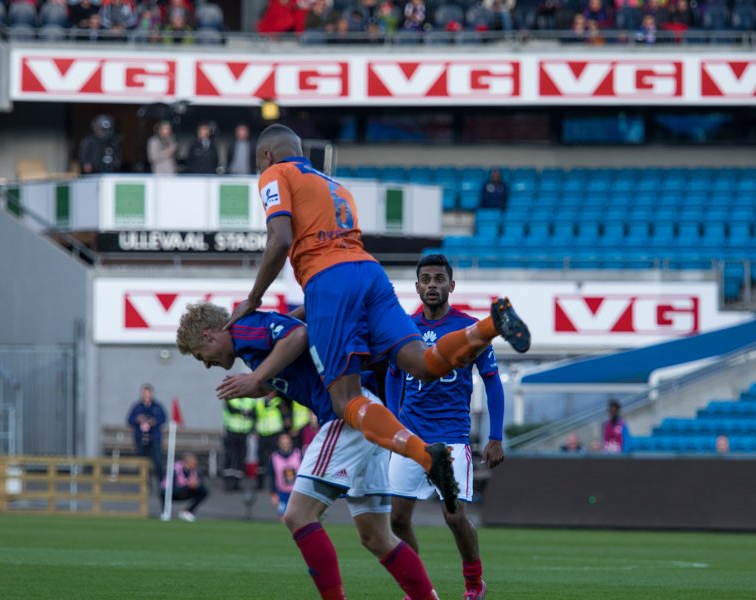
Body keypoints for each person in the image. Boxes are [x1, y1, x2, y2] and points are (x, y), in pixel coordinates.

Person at [226, 123, 531, 514]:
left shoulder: (276, 173)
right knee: (423, 362)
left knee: (344, 399)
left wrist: (254, 298)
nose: (258, 169)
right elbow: (339, 273)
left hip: (328, 281)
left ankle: (425, 455)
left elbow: (280, 239)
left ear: (266, 155)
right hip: (370, 273)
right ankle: (490, 325)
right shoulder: (333, 185)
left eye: (257, 162)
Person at [177, 302, 441, 600]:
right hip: (364, 412)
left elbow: (298, 335)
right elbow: (294, 363)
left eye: (201, 356)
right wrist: (261, 385)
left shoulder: (244, 329)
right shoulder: (250, 347)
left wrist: (257, 378)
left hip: (344, 415)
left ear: (209, 336)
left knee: (298, 515)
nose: (206, 364)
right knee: (376, 536)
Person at [387, 254, 505, 600]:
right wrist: (394, 423)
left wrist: (495, 436)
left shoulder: (470, 329)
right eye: (426, 279)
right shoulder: (403, 328)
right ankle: (420, 590)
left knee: (454, 517)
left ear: (451, 285)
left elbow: (493, 383)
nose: (432, 285)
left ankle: (474, 583)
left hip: (451, 438)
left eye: (439, 279)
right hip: (410, 438)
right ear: (417, 286)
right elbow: (394, 377)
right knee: (396, 520)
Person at [126, 383, 167, 483]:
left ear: (152, 394)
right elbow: (129, 420)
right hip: (141, 438)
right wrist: (137, 419)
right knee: (143, 463)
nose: (146, 395)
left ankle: (162, 483)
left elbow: (163, 418)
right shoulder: (137, 407)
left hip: (154, 438)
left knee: (158, 461)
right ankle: (145, 483)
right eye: (144, 393)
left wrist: (154, 421)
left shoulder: (157, 406)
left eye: (148, 393)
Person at [161, 452, 209, 521]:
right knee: (163, 492)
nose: (196, 462)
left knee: (204, 491)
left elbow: (200, 482)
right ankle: (165, 512)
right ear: (187, 461)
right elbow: (169, 486)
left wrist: (197, 484)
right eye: (194, 461)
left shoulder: (196, 471)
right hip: (173, 492)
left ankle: (187, 511)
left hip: (186, 491)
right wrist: (187, 484)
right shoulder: (175, 469)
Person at [255, 392, 288, 490]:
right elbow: (255, 417)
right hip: (262, 434)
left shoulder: (278, 402)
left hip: (275, 434)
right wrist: (255, 431)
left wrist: (283, 433)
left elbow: (285, 418)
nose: (269, 394)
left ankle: (277, 482)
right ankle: (260, 483)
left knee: (276, 458)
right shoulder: (259, 403)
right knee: (260, 458)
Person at [222, 396, 255, 491]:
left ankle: (237, 482)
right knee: (230, 456)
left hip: (244, 433)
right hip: (231, 431)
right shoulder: (231, 398)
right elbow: (232, 410)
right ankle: (227, 482)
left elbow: (253, 413)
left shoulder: (250, 400)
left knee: (241, 457)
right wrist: (244, 412)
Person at [270, 432, 302, 519]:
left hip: (297, 492)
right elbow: (272, 477)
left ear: (291, 443)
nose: (285, 445)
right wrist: (273, 493)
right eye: (283, 443)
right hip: (282, 493)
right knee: (283, 517)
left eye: (287, 443)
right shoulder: (274, 457)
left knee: (297, 517)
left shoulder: (298, 454)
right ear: (279, 444)